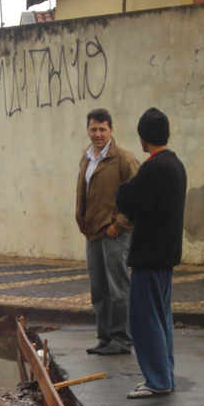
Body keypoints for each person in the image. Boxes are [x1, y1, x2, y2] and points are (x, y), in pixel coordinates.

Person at [114, 107, 187, 398]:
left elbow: (128, 200)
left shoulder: (154, 167)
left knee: (145, 320)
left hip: (149, 255)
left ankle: (157, 380)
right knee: (161, 318)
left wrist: (121, 188)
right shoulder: (175, 164)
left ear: (144, 137)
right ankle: (165, 374)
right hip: (165, 254)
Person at [75, 108, 140, 356]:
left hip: (114, 233)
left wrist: (120, 224)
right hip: (93, 233)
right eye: (93, 129)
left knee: (118, 288)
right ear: (88, 130)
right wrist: (82, 220)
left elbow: (138, 196)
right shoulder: (87, 156)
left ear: (111, 130)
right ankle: (105, 337)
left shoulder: (124, 158)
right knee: (99, 289)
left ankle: (121, 339)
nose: (98, 134)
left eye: (102, 129)